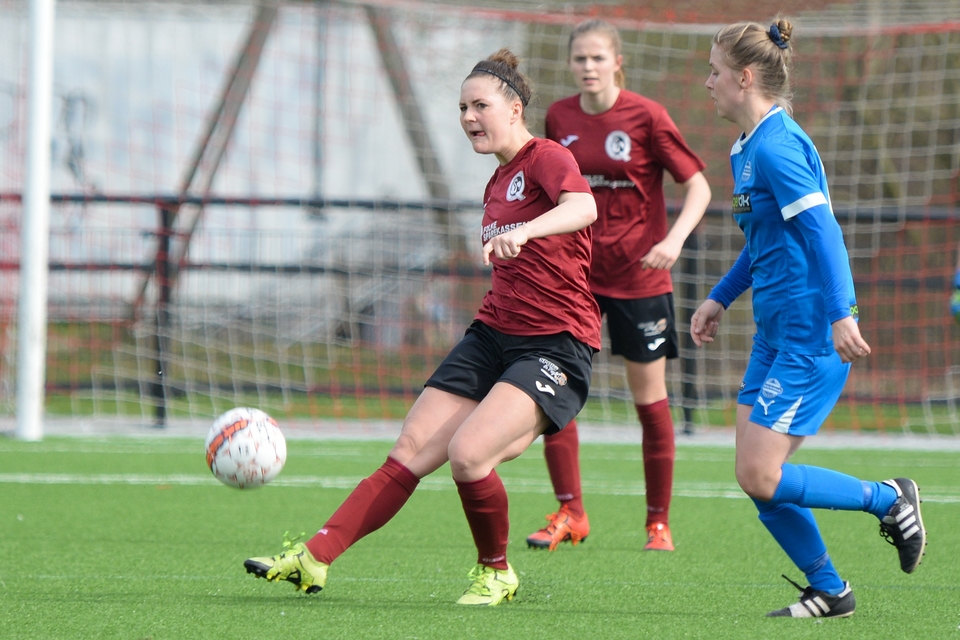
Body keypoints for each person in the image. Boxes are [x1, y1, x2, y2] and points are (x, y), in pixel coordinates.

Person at [244, 49, 601, 606]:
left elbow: (584, 207)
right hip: (492, 335)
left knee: (469, 455)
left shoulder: (546, 156)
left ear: (515, 108)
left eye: (480, 105)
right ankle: (315, 558)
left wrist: (527, 230)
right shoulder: (497, 181)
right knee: (409, 451)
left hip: (554, 344)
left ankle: (496, 572)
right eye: (461, 108)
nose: (468, 117)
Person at [692, 18, 927, 618]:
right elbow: (765, 243)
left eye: (715, 72)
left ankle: (888, 499)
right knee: (755, 475)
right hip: (773, 337)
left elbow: (825, 233)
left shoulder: (776, 147)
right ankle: (829, 589)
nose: (708, 82)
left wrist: (842, 314)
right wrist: (721, 296)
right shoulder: (747, 147)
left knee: (760, 473)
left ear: (745, 77)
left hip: (808, 336)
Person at [525, 19, 711, 553]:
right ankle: (571, 513)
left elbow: (698, 186)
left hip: (640, 277)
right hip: (575, 277)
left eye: (598, 58)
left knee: (649, 400)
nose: (588, 67)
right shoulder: (559, 117)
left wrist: (674, 240)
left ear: (617, 62)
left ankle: (658, 523)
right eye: (580, 58)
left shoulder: (646, 116)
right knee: (554, 388)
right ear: (570, 63)